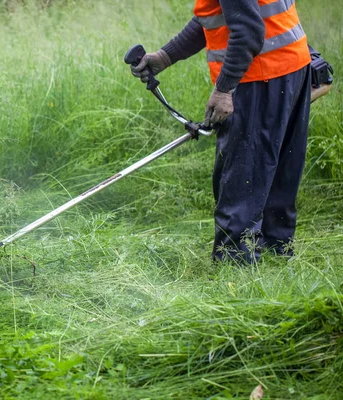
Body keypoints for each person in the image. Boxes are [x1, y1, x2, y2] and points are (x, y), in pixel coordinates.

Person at [131, 0, 312, 264]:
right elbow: (221, 15)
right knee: (279, 175)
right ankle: (277, 254)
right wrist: (166, 55)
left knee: (243, 177)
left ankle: (235, 270)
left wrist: (224, 89)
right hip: (291, 65)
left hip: (258, 77)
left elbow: (248, 30)